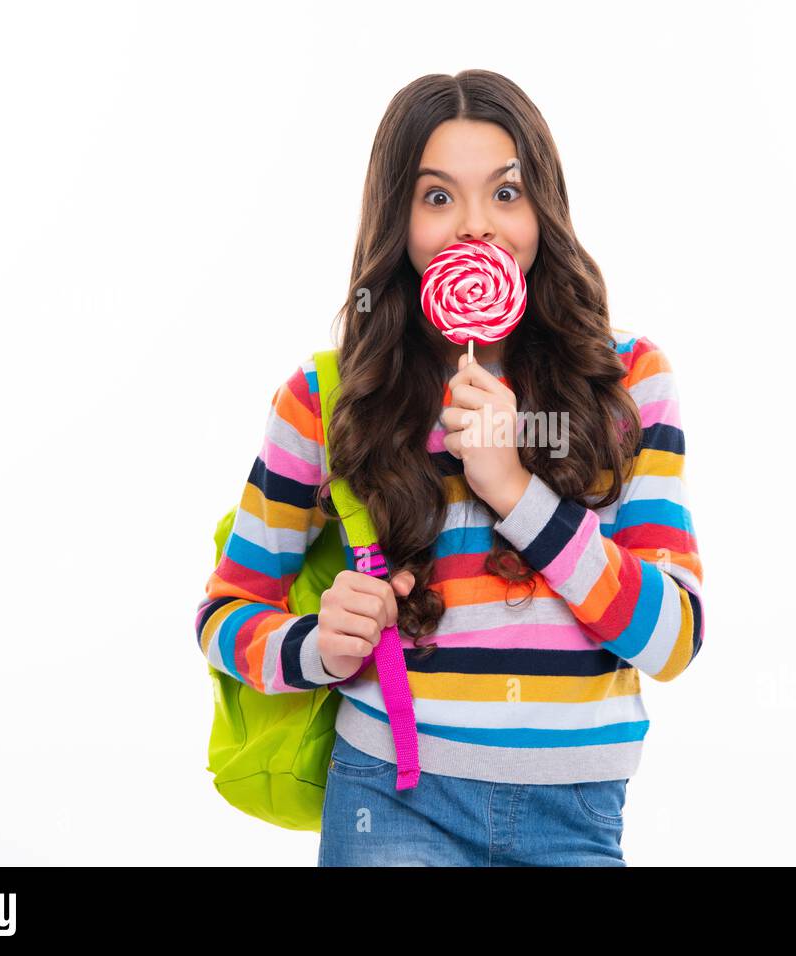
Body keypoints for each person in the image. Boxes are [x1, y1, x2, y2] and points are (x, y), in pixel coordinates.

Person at [194, 70, 704, 866]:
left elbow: (673, 639)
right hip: (391, 800)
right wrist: (319, 647)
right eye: (438, 198)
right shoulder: (328, 398)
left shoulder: (630, 383)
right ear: (397, 218)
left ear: (545, 208)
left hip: (578, 816)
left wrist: (514, 488)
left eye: (506, 194)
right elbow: (224, 615)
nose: (477, 229)